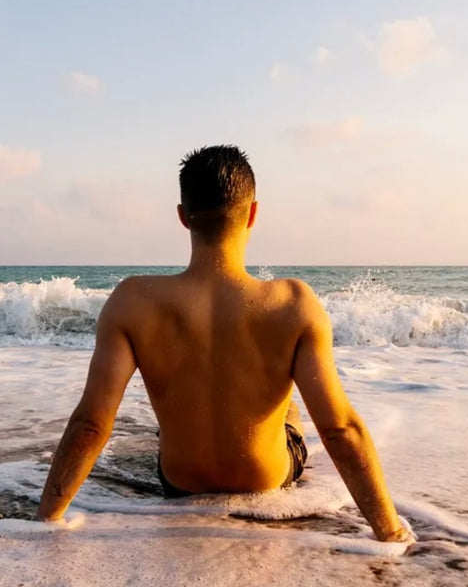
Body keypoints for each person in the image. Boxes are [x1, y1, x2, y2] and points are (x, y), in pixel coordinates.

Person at [37, 145, 415, 544]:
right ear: (253, 213)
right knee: (289, 403)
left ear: (183, 217)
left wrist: (44, 522)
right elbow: (339, 429)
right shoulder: (294, 303)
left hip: (179, 485)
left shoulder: (132, 300)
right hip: (268, 483)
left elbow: (91, 424)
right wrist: (389, 530)